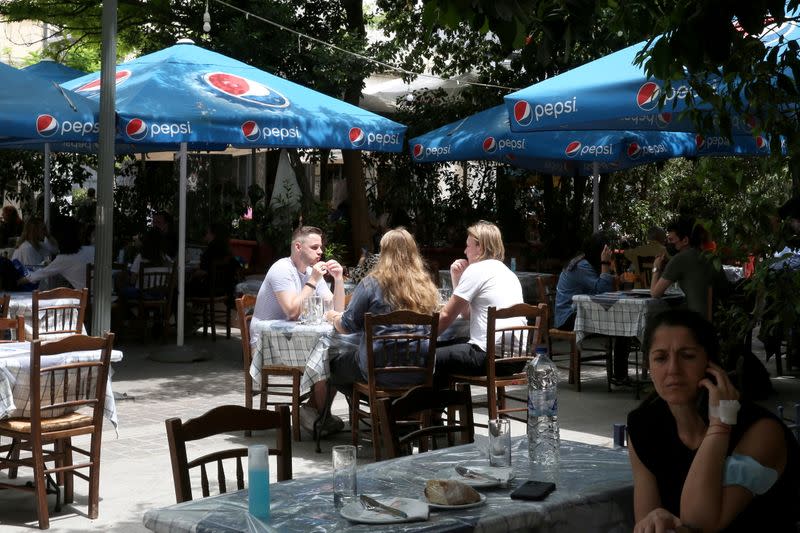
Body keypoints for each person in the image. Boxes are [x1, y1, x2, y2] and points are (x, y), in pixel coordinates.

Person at [627, 309, 800, 532]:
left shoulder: (761, 431)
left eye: (687, 356)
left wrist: (719, 425)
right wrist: (655, 518)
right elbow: (647, 525)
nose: (673, 370)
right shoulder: (644, 425)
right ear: (649, 366)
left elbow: (700, 522)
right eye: (660, 358)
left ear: (710, 364)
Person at [324, 227, 438, 391]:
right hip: (421, 368)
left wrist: (333, 316)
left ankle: (372, 407)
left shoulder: (370, 284)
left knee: (331, 367)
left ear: (383, 253)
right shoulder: (426, 285)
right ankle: (385, 408)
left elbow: (347, 326)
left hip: (378, 370)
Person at [433, 220, 525, 389]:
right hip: (516, 359)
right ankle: (442, 408)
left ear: (480, 247)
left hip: (488, 357)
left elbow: (446, 315)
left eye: (468, 246)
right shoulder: (507, 272)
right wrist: (456, 279)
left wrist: (424, 338)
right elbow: (468, 315)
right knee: (444, 347)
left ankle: (432, 410)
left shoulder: (477, 270)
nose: (465, 251)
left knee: (427, 355)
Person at [553, 232, 631, 382]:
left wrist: (616, 278)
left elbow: (599, 288)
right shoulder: (582, 265)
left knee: (623, 322)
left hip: (581, 312)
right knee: (622, 324)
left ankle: (620, 375)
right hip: (568, 317)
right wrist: (605, 264)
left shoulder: (586, 263)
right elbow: (602, 291)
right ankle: (620, 376)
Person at [253, 225, 345, 321]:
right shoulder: (282, 268)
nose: (320, 251)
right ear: (298, 247)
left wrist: (338, 279)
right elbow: (292, 313)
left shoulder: (312, 272)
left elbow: (336, 309)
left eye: (320, 247)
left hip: (294, 332)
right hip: (265, 334)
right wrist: (313, 280)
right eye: (314, 247)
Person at [651, 215, 714, 317]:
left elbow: (655, 293)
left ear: (685, 240)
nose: (668, 244)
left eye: (671, 240)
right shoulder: (707, 255)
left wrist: (656, 268)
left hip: (697, 322)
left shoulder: (680, 259)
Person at [18, 216, 93, 289]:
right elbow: (56, 250)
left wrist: (16, 282)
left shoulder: (63, 259)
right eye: (43, 229)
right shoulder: (92, 249)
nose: (45, 232)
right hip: (99, 296)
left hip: (89, 299)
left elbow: (34, 277)